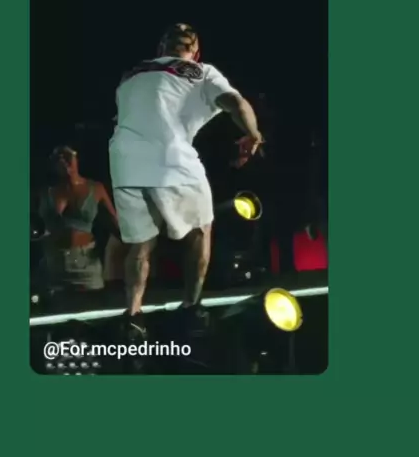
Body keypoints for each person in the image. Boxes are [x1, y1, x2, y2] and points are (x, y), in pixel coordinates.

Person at [109, 23, 263, 338]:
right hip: (170, 157)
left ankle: (133, 316)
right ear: (195, 51)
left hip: (124, 159)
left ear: (161, 49)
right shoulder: (202, 71)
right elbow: (236, 103)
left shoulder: (132, 74)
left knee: (140, 244)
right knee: (201, 229)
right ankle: (191, 307)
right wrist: (253, 133)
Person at [38, 146, 125, 292]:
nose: (63, 160)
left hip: (86, 264)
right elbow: (36, 227)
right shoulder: (46, 192)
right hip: (53, 264)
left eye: (67, 155)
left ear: (76, 158)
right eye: (58, 157)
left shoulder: (95, 189)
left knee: (89, 303)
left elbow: (115, 224)